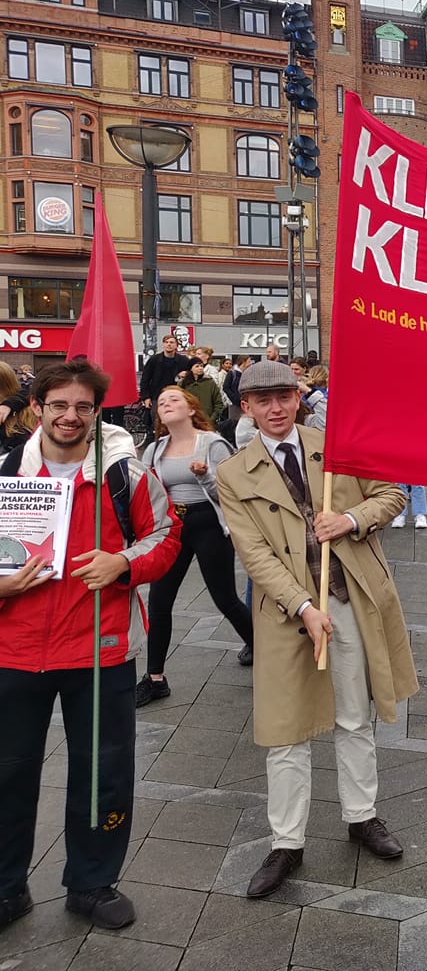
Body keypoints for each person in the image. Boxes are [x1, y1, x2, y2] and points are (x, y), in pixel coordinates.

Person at [216, 359, 417, 899]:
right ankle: (286, 842)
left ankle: (362, 816)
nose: (276, 408)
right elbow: (254, 554)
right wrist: (304, 605)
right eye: (263, 401)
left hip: (350, 598)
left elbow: (392, 492)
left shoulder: (338, 445)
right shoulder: (234, 473)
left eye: (284, 396)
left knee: (354, 715)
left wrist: (350, 520)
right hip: (286, 614)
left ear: (298, 398)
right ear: (247, 408)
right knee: (285, 731)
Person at [0, 359, 180, 931]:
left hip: (101, 650)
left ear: (96, 412)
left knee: (103, 772)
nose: (70, 416)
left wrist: (122, 562)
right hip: (14, 649)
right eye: (59, 405)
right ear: (38, 409)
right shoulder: (5, 472)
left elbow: (167, 535)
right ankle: (6, 889)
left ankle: (93, 883)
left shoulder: (124, 476)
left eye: (82, 407)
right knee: (6, 774)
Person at [136, 387, 254, 706]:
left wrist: (205, 478)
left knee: (224, 598)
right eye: (161, 403)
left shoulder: (212, 443)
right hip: (173, 527)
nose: (166, 405)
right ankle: (155, 678)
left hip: (208, 523)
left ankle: (261, 648)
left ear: (191, 409)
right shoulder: (154, 449)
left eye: (174, 399)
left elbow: (232, 492)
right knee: (160, 600)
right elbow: (149, 496)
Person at [138, 334, 187, 415]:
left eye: (171, 342)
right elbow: (145, 379)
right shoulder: (154, 360)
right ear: (163, 344)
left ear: (176, 345)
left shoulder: (183, 361)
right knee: (157, 422)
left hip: (176, 397)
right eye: (166, 342)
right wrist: (146, 397)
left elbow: (190, 378)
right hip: (156, 396)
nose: (169, 344)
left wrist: (184, 375)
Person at [180, 356, 227, 427]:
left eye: (202, 366)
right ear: (191, 368)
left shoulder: (210, 383)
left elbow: (219, 404)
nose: (200, 368)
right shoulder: (183, 383)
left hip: (207, 422)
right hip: (188, 422)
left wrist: (212, 419)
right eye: (197, 366)